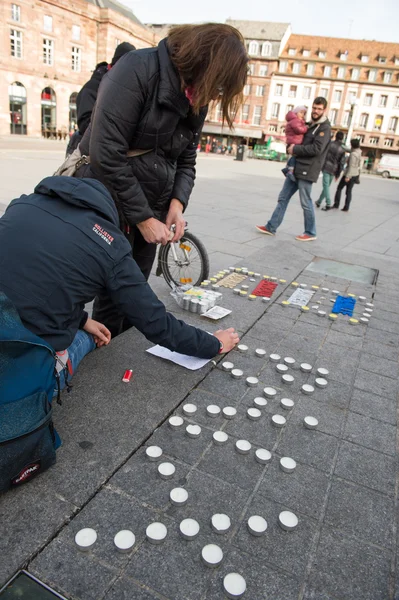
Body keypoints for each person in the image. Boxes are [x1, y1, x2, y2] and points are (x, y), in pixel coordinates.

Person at [74, 23, 248, 337]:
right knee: (111, 290)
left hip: (151, 203)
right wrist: (142, 218)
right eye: (218, 83)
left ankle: (118, 347)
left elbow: (187, 158)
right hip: (107, 198)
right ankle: (96, 362)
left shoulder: (198, 94)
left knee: (135, 288)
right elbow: (106, 152)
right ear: (204, 62)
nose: (216, 93)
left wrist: (177, 205)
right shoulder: (138, 68)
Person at [0, 177, 240, 390]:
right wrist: (214, 344)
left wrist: (83, 319)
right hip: (19, 369)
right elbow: (157, 323)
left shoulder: (22, 205)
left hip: (9, 321)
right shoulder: (109, 243)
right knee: (85, 339)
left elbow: (31, 282)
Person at [255, 97, 331, 242]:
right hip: (296, 166)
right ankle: (271, 226)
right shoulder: (310, 124)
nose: (315, 111)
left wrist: (295, 148)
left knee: (306, 202)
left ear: (324, 110)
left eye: (319, 109)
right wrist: (290, 147)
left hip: (307, 169)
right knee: (283, 197)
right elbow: (297, 139)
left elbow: (317, 149)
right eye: (314, 108)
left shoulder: (324, 128)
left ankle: (310, 232)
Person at [66, 42, 136, 156]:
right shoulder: (91, 88)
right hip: (87, 154)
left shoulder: (122, 87)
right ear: (115, 67)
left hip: (108, 152)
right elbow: (85, 124)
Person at [315, 131, 345, 211]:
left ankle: (328, 203)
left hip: (326, 167)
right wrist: (338, 174)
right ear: (342, 138)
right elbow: (341, 163)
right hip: (334, 169)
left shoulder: (330, 144)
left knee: (325, 186)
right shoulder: (342, 148)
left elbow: (323, 155)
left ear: (336, 136)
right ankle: (319, 201)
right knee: (326, 186)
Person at [333, 138, 362, 212]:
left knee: (339, 188)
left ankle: (336, 204)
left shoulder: (353, 154)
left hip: (349, 174)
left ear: (352, 145)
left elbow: (351, 166)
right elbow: (349, 150)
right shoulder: (359, 152)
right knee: (349, 191)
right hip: (355, 174)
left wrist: (347, 176)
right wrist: (343, 146)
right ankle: (346, 207)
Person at [282, 106, 308, 182]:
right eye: (301, 112)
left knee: (294, 156)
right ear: (296, 113)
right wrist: (306, 128)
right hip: (294, 141)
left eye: (304, 113)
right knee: (295, 156)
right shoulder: (295, 121)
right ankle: (290, 170)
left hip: (294, 140)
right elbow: (299, 130)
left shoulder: (294, 120)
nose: (302, 115)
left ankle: (287, 168)